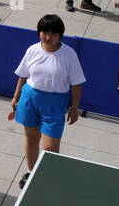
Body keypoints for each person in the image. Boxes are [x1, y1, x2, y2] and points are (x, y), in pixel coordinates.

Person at [9, 15, 86, 188]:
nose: (48, 37)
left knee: (51, 149)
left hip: (55, 102)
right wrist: (16, 97)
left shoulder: (69, 55)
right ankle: (31, 173)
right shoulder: (32, 50)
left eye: (53, 33)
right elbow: (23, 75)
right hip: (30, 98)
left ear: (60, 35)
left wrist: (74, 108)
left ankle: (48, 178)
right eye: (44, 32)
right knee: (31, 139)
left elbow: (77, 83)